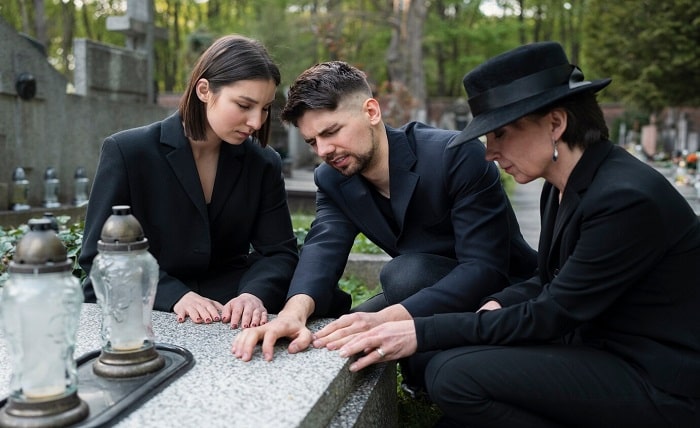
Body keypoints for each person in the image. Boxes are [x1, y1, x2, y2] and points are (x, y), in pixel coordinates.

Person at [327, 42, 700, 427]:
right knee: (451, 377)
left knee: (453, 377)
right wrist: (500, 303)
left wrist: (419, 332)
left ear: (555, 123)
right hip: (601, 348)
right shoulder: (563, 185)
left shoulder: (624, 198)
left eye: (500, 134)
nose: (490, 152)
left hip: (659, 380)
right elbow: (549, 278)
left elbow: (554, 312)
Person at [231, 61, 537, 366]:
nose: (324, 150)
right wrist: (292, 312)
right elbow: (324, 245)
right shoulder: (332, 177)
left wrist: (388, 319)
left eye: (332, 131)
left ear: (371, 112)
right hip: (422, 290)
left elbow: (484, 269)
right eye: (313, 142)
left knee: (403, 276)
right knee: (338, 334)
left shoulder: (453, 155)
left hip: (504, 293)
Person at [79, 35, 298, 329]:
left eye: (265, 108)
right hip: (146, 293)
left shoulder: (263, 161)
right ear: (204, 90)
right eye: (244, 105)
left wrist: (253, 294)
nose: (257, 122)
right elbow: (97, 256)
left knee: (326, 297)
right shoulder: (128, 151)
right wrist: (176, 295)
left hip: (227, 293)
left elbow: (279, 251)